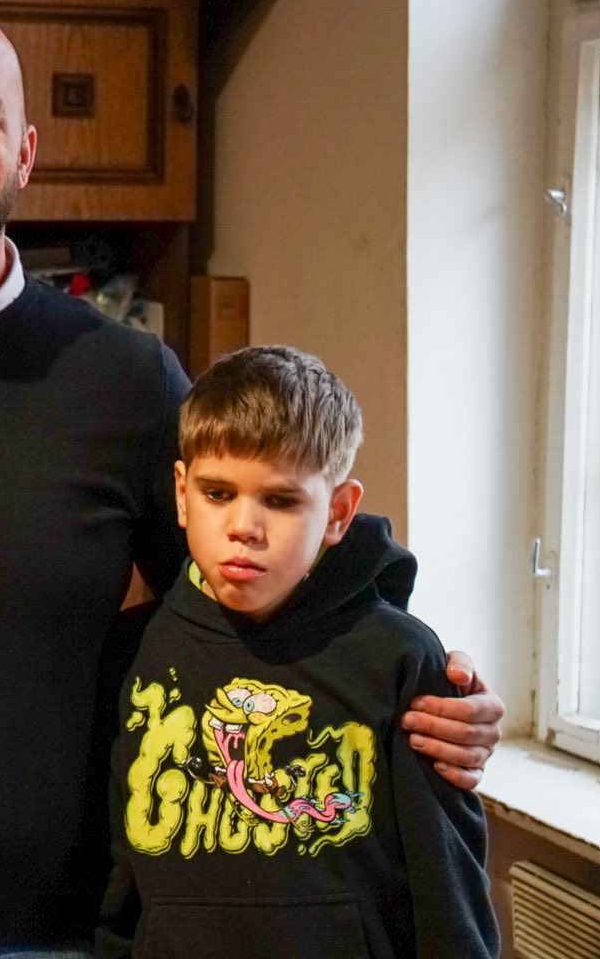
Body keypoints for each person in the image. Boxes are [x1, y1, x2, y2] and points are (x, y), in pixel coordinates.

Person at [0, 0, 504, 957]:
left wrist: (413, 676)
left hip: (39, 933)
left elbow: (251, 579)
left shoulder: (125, 380)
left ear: (25, 153)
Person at [97, 345, 499, 958]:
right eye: (217, 493)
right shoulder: (134, 650)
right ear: (181, 493)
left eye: (281, 501)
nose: (243, 527)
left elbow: (449, 891)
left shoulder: (400, 658)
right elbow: (118, 873)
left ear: (338, 512)